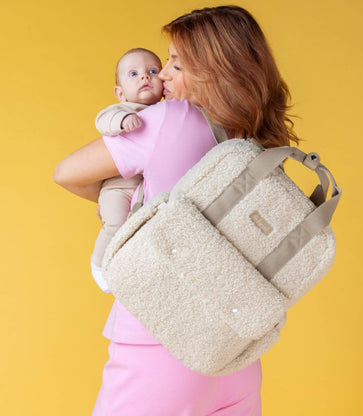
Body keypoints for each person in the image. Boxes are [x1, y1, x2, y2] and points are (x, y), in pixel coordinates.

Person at [54, 5, 299, 415]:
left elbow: (67, 173)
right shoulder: (256, 135)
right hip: (234, 350)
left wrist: (124, 204)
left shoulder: (169, 119)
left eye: (176, 63)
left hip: (159, 341)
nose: (162, 74)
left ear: (213, 69)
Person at [91, 48, 164, 293]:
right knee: (114, 226)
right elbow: (102, 119)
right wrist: (122, 121)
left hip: (144, 192)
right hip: (117, 188)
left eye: (153, 72)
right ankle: (99, 266)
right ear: (120, 93)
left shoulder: (165, 111)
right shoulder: (123, 110)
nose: (145, 77)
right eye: (134, 74)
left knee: (138, 236)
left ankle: (128, 271)